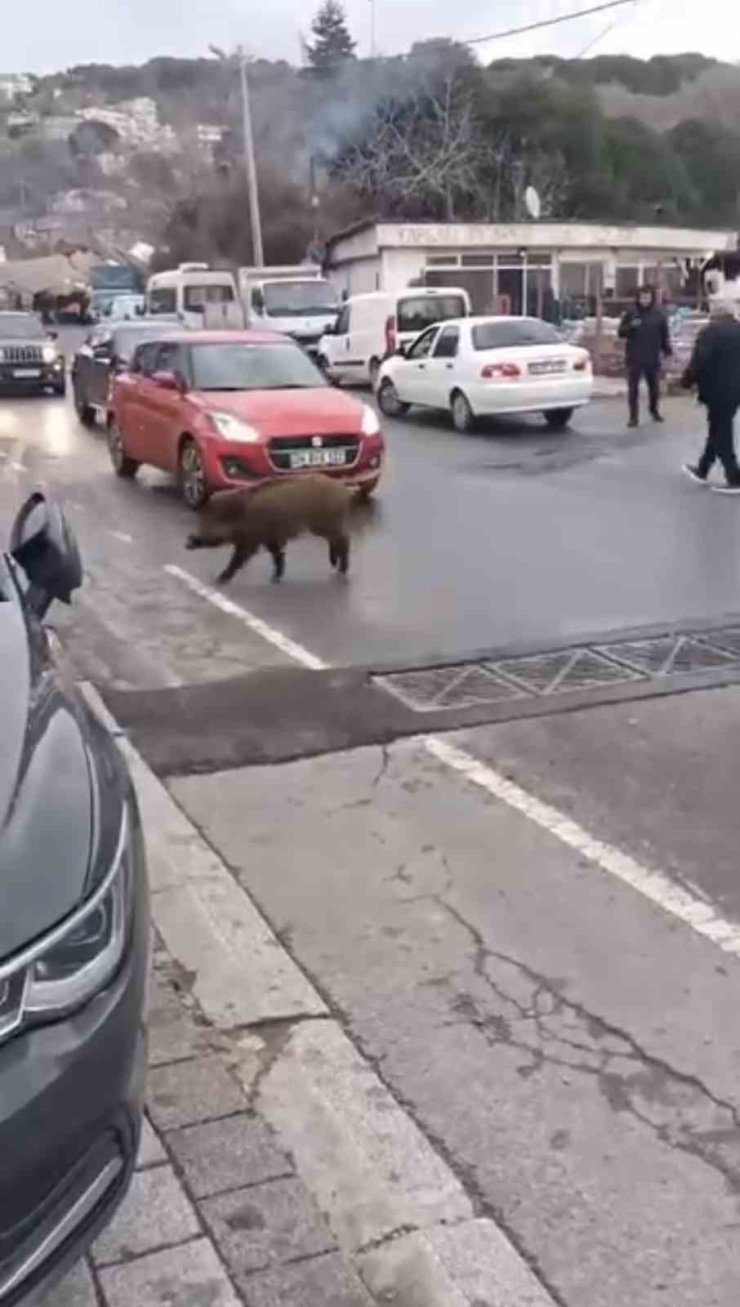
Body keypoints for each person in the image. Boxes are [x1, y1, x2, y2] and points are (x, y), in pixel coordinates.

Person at [681, 302, 740, 493]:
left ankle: (734, 477)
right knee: (718, 428)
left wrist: (686, 381)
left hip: (716, 388)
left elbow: (699, 361)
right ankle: (702, 469)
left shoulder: (710, 333)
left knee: (721, 432)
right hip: (736, 390)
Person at [618, 286, 672, 427]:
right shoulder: (631, 312)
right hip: (634, 356)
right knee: (633, 388)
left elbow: (664, 334)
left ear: (652, 298)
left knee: (654, 387)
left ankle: (654, 410)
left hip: (652, 356)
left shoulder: (659, 314)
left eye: (647, 297)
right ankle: (633, 417)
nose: (645, 300)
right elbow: (621, 332)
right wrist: (631, 327)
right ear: (638, 297)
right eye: (642, 297)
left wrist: (667, 350)